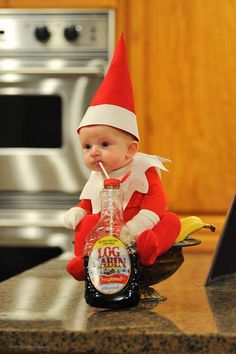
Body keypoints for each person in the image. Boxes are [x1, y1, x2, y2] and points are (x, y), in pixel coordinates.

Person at [64, 33, 181, 281]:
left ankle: (151, 247)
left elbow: (157, 203)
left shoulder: (144, 169)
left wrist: (136, 227)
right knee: (85, 225)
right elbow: (88, 201)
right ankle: (83, 262)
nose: (93, 151)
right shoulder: (97, 176)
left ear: (130, 150)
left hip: (139, 226)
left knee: (171, 221)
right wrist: (79, 211)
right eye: (86, 146)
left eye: (104, 144)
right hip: (106, 231)